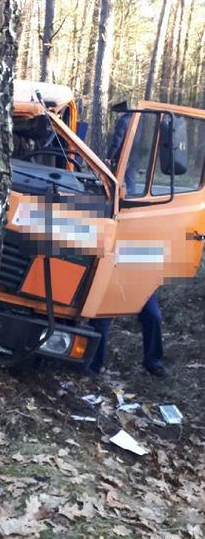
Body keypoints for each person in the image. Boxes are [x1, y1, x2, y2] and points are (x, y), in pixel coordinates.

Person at [89, 111, 166, 378]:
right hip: (112, 261)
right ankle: (92, 364)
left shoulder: (143, 194)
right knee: (101, 315)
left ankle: (153, 361)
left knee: (152, 315)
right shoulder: (104, 187)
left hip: (137, 262)